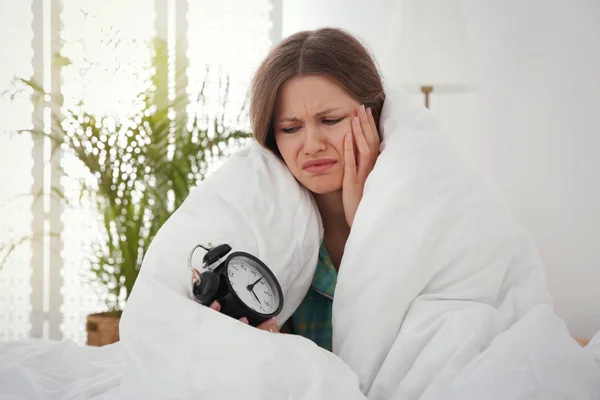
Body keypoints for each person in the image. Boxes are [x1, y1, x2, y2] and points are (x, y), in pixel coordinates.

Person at [208, 27, 385, 351]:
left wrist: (366, 220)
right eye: (290, 128)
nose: (312, 145)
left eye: (330, 120)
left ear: (371, 116)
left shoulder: (415, 210)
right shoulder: (266, 228)